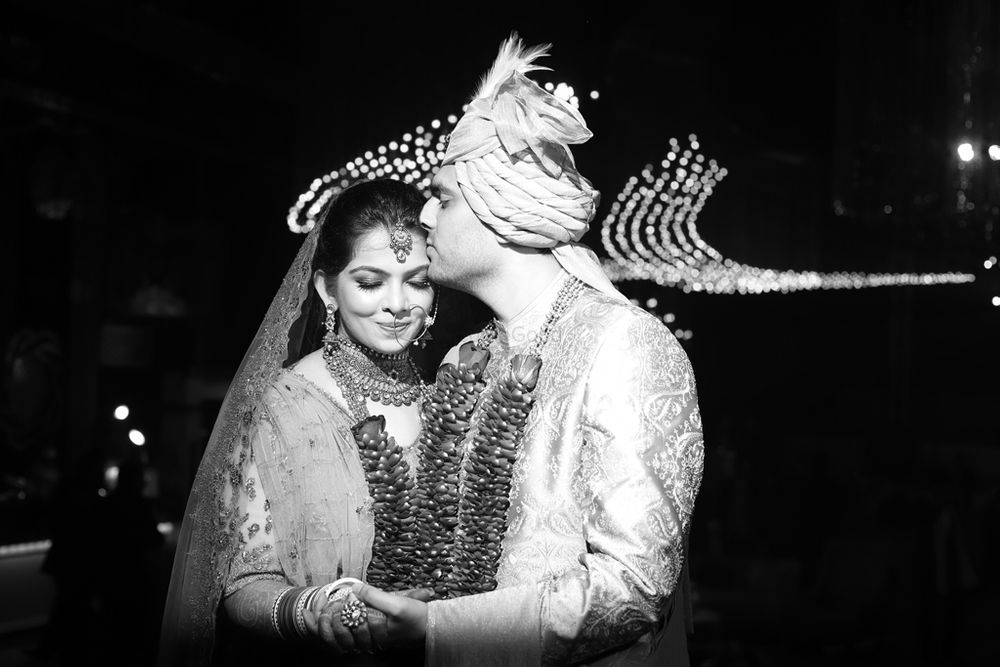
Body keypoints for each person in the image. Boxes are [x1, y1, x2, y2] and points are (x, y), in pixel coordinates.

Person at [350, 34, 706, 666]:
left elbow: (636, 586)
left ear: (502, 206)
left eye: (444, 196)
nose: (424, 217)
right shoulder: (465, 358)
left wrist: (442, 630)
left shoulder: (622, 342)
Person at [157, 178, 438, 666]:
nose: (398, 304)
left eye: (418, 280)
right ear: (326, 290)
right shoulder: (280, 407)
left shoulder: (450, 397)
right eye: (370, 282)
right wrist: (318, 610)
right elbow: (242, 582)